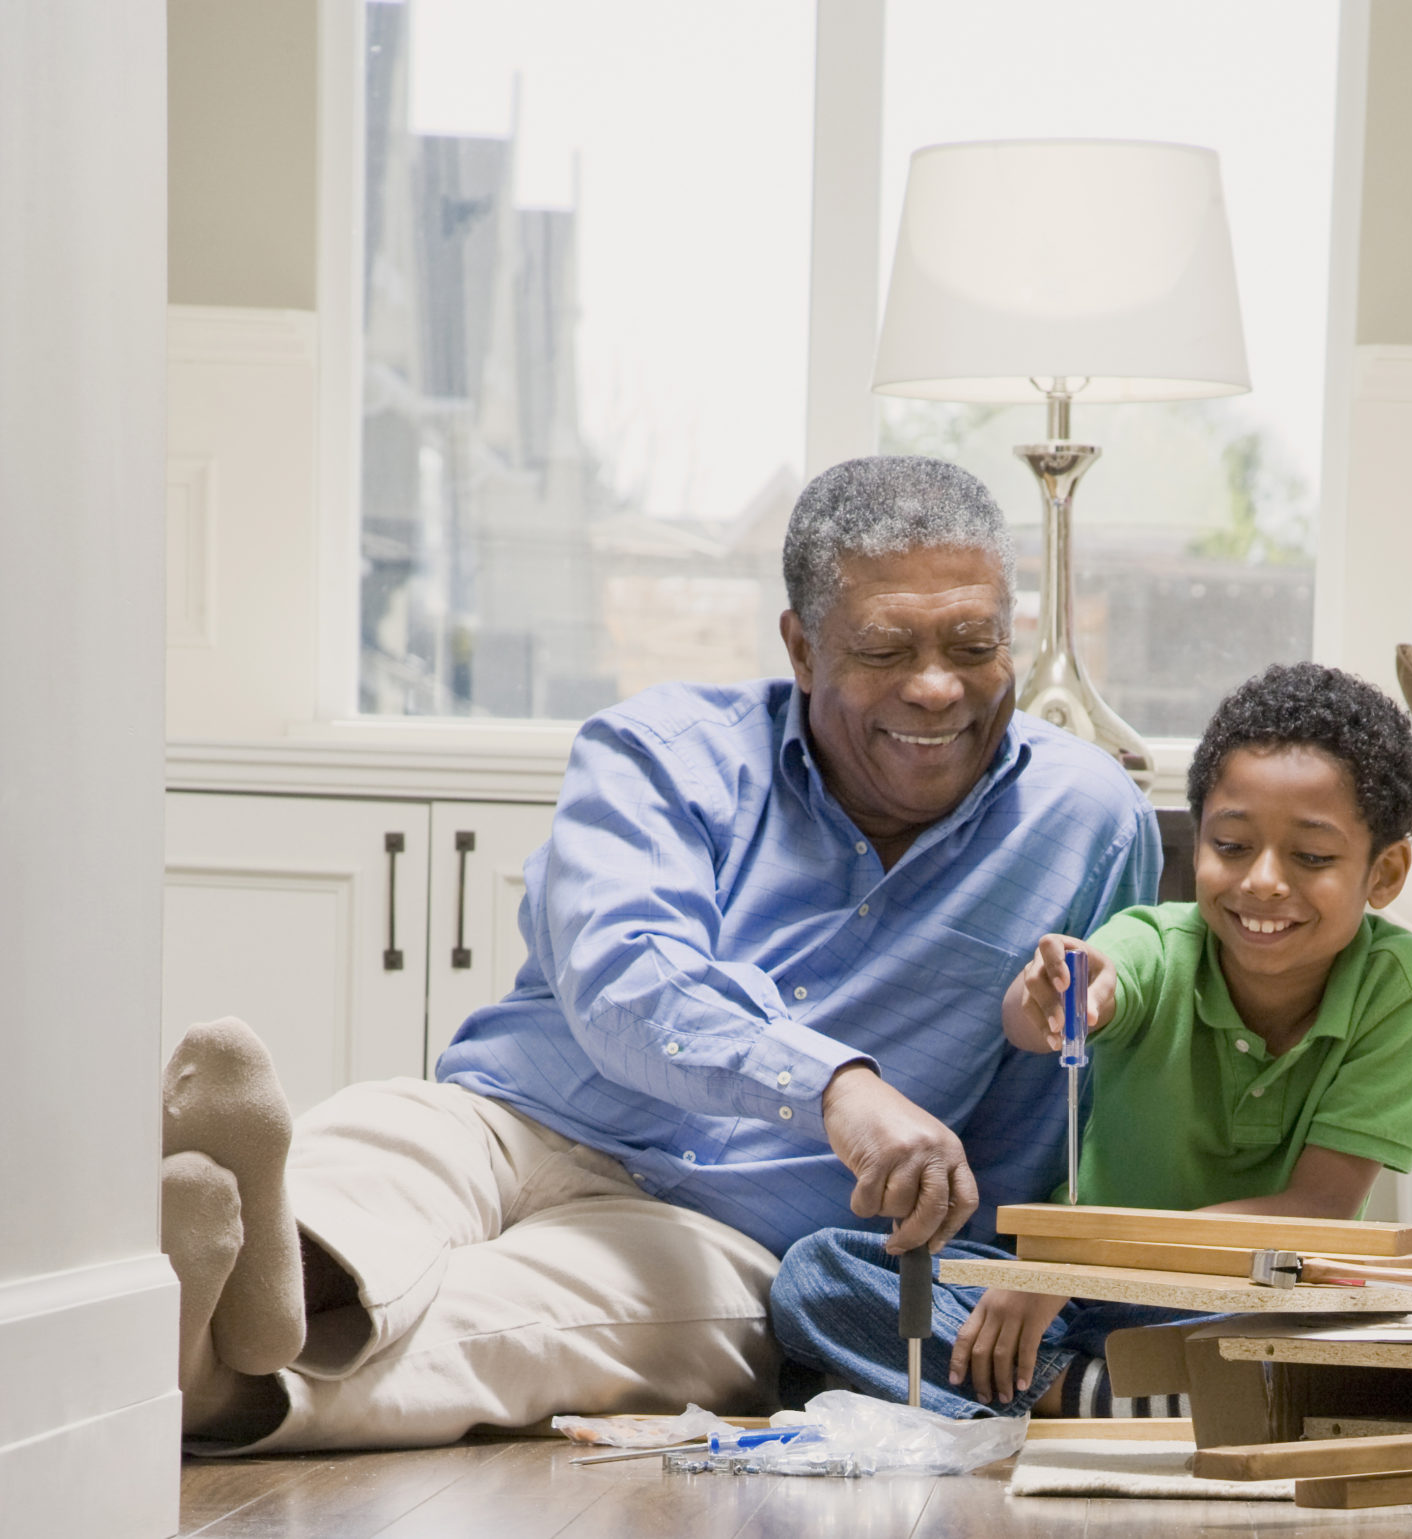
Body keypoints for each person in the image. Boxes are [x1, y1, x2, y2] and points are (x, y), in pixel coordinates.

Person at [161, 456, 1161, 1452]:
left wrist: (979, 1272)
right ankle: (251, 1265)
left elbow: (1064, 1113)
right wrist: (835, 1089)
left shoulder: (1087, 822)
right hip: (515, 1115)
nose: (936, 688)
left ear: (1011, 637)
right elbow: (621, 970)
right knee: (374, 1152)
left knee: (512, 1330)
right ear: (802, 649)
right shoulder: (664, 748)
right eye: (886, 650)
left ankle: (206, 1368)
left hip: (722, 1240)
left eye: (972, 645)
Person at [769, 663, 1412, 1418]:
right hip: (1075, 1295)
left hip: (1246, 1296)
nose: (1261, 881)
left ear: (1383, 872)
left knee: (1348, 1335)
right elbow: (1065, 999)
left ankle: (1061, 1392)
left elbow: (1317, 1211)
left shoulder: (1406, 988)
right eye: (1231, 844)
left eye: (1312, 858)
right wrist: (1059, 992)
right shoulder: (1157, 943)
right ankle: (1104, 1393)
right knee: (818, 1275)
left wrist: (1084, 1256)